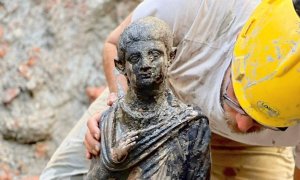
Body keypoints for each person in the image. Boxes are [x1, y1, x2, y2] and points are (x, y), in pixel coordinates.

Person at [41, 0, 300, 179]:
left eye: (267, 120)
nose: (243, 125)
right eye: (239, 101)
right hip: (154, 99)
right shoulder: (200, 9)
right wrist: (119, 114)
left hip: (253, 151)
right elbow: (114, 44)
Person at [87, 17, 210, 179]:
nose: (145, 64)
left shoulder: (190, 124)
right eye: (135, 58)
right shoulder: (109, 123)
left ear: (170, 57)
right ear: (121, 66)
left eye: (154, 55)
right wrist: (111, 164)